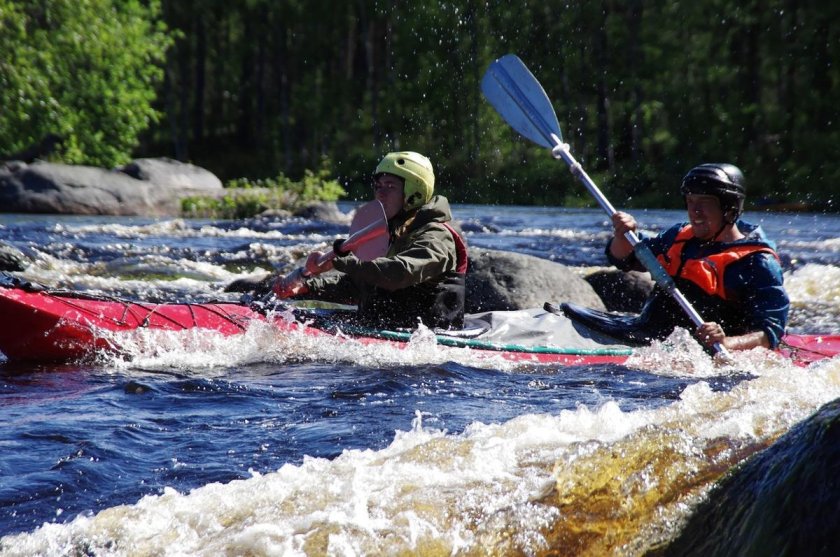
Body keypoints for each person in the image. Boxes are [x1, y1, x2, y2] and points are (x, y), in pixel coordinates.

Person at [601, 163, 789, 352]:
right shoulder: (678, 236)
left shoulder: (757, 262)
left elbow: (770, 333)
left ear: (730, 209)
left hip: (705, 351)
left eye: (705, 202)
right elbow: (624, 257)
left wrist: (727, 343)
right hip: (649, 336)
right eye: (691, 201)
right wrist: (623, 234)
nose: (695, 210)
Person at [272, 151, 467, 330]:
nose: (380, 193)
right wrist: (307, 287)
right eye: (378, 186)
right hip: (387, 327)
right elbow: (363, 285)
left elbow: (398, 273)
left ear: (414, 193)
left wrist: (341, 261)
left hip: (427, 338)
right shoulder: (391, 233)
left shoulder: (436, 236)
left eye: (390, 186)